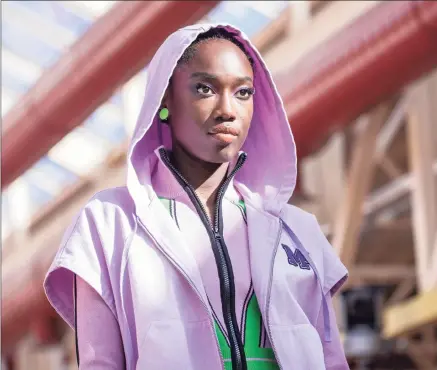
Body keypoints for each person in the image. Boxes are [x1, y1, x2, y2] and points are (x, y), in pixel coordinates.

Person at [44, 24, 349, 370]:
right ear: (165, 100)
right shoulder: (109, 224)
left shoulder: (298, 232)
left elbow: (332, 360)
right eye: (205, 89)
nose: (227, 109)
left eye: (243, 93)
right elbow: (101, 363)